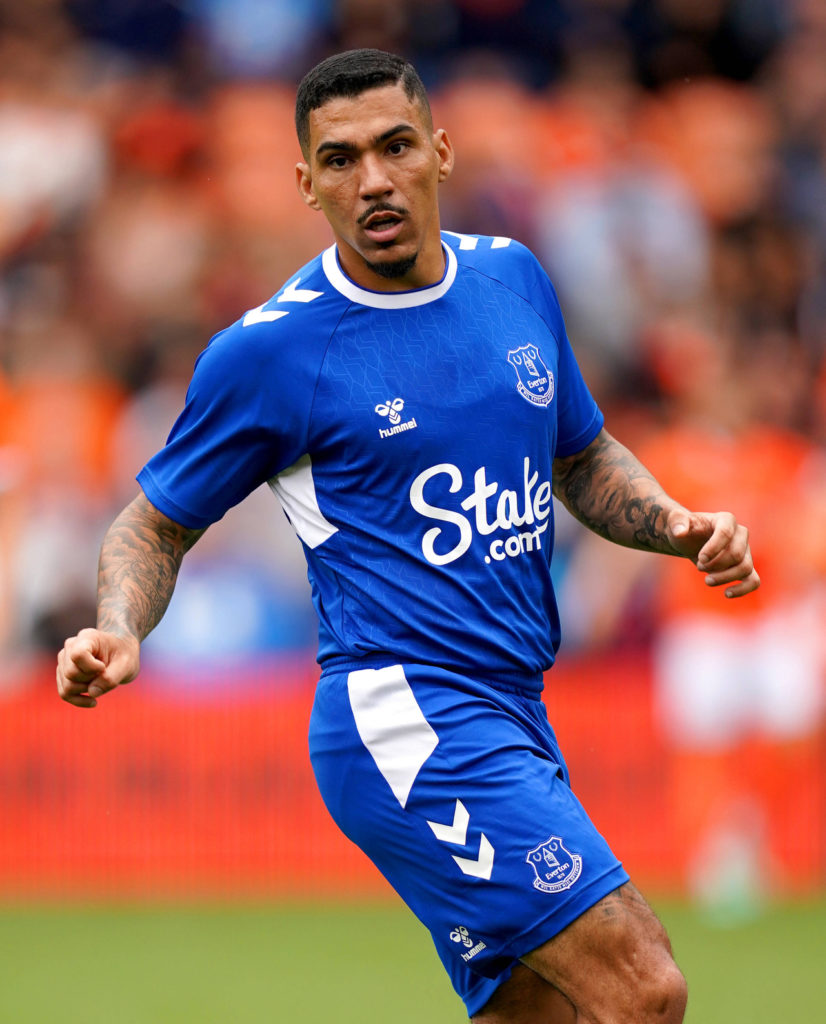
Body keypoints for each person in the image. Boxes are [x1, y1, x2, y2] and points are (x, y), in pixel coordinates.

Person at [56, 49, 759, 1023]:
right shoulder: (273, 351)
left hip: (516, 709)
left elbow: (582, 458)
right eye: (340, 160)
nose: (373, 179)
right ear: (306, 183)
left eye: (393, 147)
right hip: (408, 720)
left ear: (440, 150)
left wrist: (678, 526)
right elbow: (154, 521)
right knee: (643, 989)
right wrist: (120, 626)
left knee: (549, 1014)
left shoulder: (512, 280)